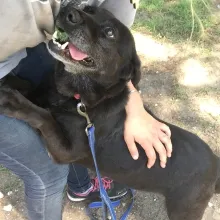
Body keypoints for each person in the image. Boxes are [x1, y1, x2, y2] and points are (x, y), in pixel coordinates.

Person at [0, 0, 172, 219]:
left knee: (67, 118)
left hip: (23, 50)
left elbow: (113, 40)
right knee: (49, 174)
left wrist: (135, 105)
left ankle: (81, 185)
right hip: (14, 42)